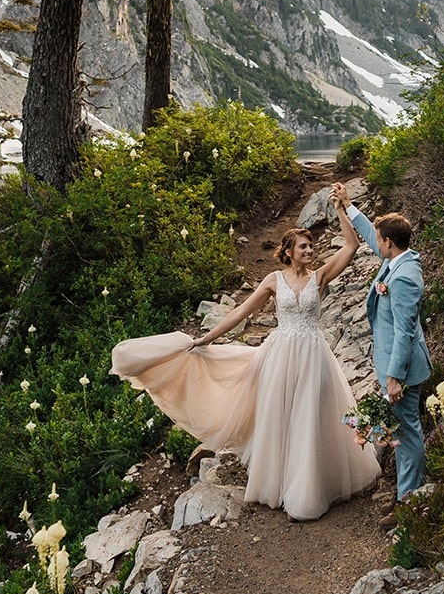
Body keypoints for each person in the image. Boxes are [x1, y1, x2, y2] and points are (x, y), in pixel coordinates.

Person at [110, 199, 379, 522]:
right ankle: (279, 484)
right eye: (304, 246)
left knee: (310, 417)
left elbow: (351, 245)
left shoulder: (319, 277)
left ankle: (309, 492)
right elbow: (240, 312)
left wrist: (340, 207)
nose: (310, 250)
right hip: (280, 355)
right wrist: (205, 339)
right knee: (282, 418)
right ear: (289, 251)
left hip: (313, 355)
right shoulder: (272, 281)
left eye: (311, 246)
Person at [333, 182, 430, 523]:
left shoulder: (404, 277)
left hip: (401, 369)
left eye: (379, 240)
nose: (376, 244)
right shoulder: (398, 259)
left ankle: (410, 504)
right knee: (401, 432)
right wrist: (348, 205)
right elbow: (372, 237)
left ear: (389, 242)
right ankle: (406, 494)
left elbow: (404, 331)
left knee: (408, 433)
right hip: (392, 364)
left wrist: (393, 377)